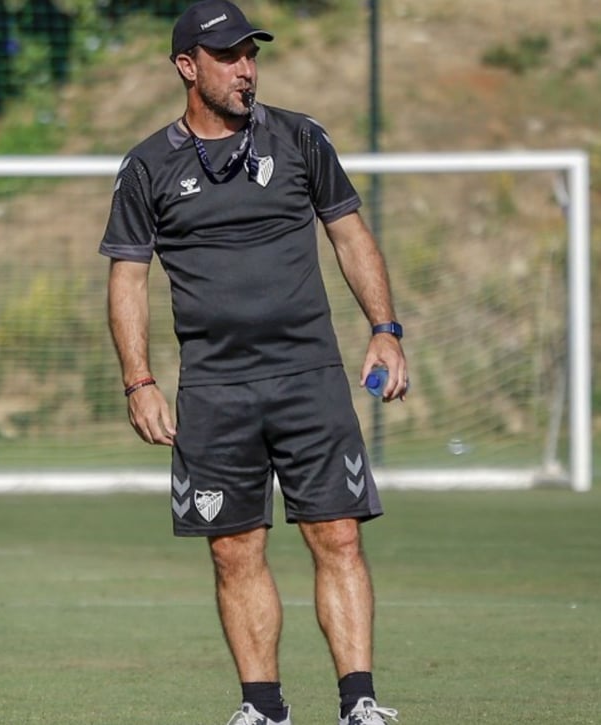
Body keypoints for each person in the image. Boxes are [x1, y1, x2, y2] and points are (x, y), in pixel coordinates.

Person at [100, 3, 406, 724]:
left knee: (338, 535)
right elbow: (126, 280)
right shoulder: (147, 166)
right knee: (234, 551)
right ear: (187, 66)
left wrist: (385, 329)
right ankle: (263, 707)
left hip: (309, 378)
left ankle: (359, 702)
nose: (246, 69)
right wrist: (138, 379)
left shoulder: (301, 138)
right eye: (229, 56)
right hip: (214, 388)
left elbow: (350, 235)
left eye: (251, 54)